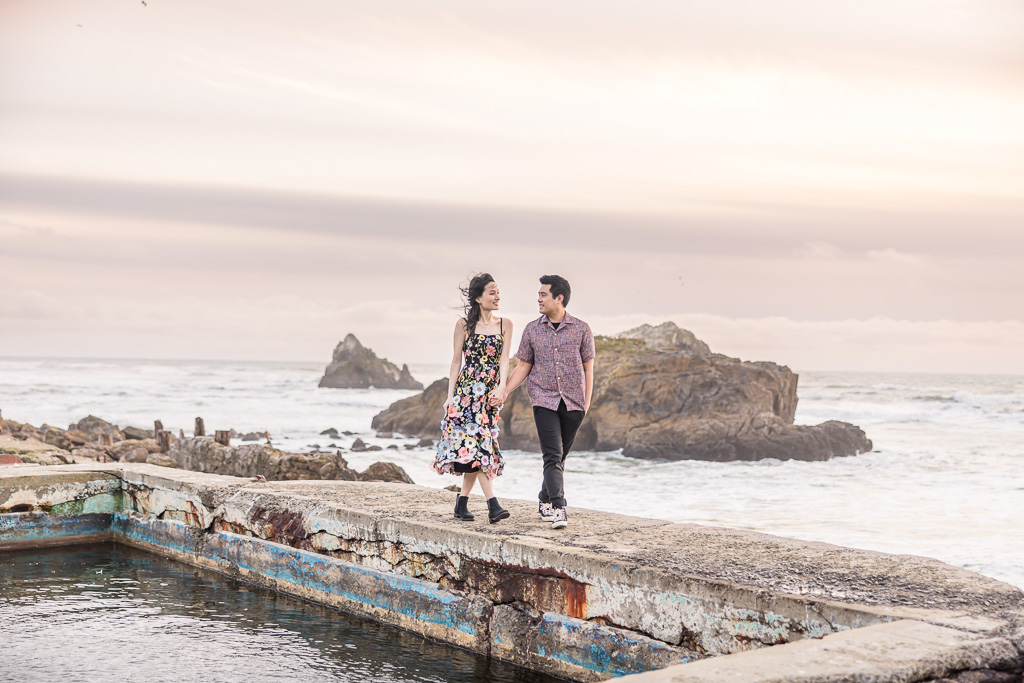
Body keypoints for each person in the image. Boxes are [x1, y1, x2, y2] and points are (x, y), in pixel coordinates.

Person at [502, 275, 594, 529]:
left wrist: (586, 404)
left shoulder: (581, 328)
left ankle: (543, 498)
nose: (539, 299)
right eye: (539, 294)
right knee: (552, 454)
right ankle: (558, 507)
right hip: (543, 399)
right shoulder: (532, 329)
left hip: (574, 402)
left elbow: (589, 369)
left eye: (544, 295)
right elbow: (522, 366)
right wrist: (505, 391)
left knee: (559, 456)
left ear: (559, 298)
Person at [433, 273, 513, 524]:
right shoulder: (463, 326)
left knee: (474, 449)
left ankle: (462, 503)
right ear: (478, 298)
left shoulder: (506, 325)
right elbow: (456, 361)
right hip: (466, 396)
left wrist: (501, 388)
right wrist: (450, 397)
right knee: (477, 447)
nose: (497, 296)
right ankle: (493, 505)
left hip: (488, 397)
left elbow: (504, 359)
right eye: (492, 292)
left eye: (498, 292)